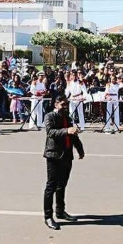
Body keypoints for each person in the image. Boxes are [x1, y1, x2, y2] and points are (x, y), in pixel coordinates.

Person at [43, 95, 85, 230]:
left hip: (67, 155)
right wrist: (67, 130)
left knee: (62, 185)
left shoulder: (67, 117)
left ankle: (60, 211)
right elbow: (50, 132)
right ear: (56, 105)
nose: (65, 107)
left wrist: (80, 149)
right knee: (51, 186)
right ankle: (48, 217)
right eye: (62, 104)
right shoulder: (50, 116)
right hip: (54, 155)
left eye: (66, 104)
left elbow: (73, 134)